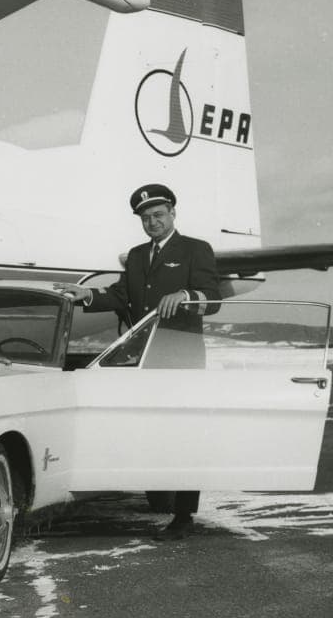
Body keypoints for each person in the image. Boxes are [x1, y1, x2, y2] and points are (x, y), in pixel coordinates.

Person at [54, 183, 221, 540]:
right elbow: (121, 296)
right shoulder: (136, 255)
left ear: (173, 213)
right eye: (145, 218)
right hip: (144, 359)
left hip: (180, 357)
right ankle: (160, 496)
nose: (152, 223)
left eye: (158, 215)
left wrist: (187, 295)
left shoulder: (195, 250)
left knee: (184, 436)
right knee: (152, 431)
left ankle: (184, 516)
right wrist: (88, 295)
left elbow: (214, 298)